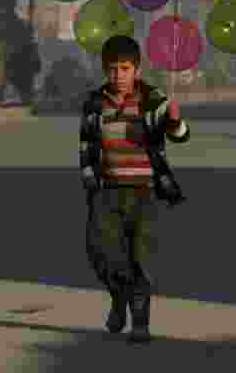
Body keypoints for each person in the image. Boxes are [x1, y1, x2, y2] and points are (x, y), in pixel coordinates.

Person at [79, 35, 190, 344]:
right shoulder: (95, 103)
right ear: (105, 70)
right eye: (112, 69)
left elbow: (180, 135)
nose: (118, 75)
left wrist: (174, 121)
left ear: (137, 69)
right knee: (102, 254)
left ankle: (140, 322)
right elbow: (86, 148)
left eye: (125, 69)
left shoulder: (153, 100)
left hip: (144, 192)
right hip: (107, 192)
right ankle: (118, 297)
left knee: (141, 257)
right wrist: (91, 186)